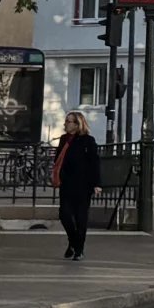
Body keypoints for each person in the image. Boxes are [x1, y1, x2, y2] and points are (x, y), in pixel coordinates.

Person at [52, 111, 101, 261]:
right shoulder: (64, 139)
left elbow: (94, 163)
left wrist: (97, 184)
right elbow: (59, 159)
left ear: (77, 124)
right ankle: (73, 241)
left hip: (83, 184)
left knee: (80, 217)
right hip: (67, 183)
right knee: (64, 214)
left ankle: (79, 248)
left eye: (69, 121)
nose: (65, 124)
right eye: (66, 121)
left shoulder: (88, 141)